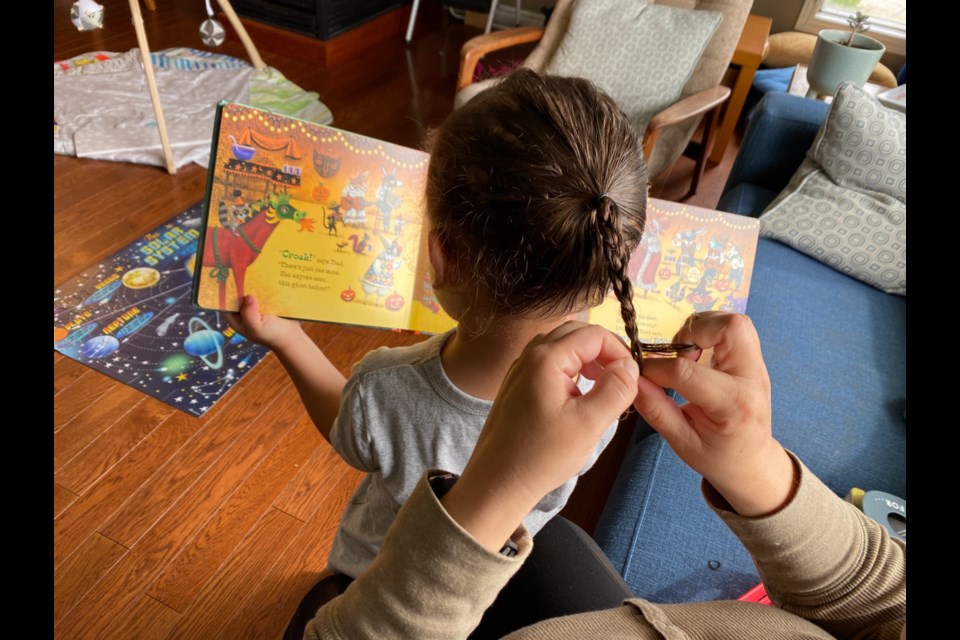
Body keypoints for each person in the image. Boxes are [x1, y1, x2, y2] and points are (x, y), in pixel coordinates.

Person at [227, 69, 650, 580]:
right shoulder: (606, 389)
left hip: (378, 580)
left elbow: (349, 433)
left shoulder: (387, 385)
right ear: (610, 272)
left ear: (441, 255)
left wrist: (285, 335)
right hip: (497, 576)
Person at [302, 314, 907, 640]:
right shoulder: (584, 415)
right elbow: (885, 606)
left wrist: (496, 487)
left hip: (374, 590)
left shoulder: (385, 385)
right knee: (555, 541)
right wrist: (757, 467)